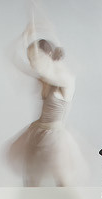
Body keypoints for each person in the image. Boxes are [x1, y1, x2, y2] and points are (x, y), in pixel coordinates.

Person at [6, 27, 86, 188]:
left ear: (47, 55)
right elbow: (13, 57)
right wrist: (24, 36)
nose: (32, 63)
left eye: (34, 58)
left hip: (56, 139)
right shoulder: (44, 78)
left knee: (62, 183)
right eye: (30, 59)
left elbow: (50, 73)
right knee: (31, 181)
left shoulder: (65, 79)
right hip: (36, 133)